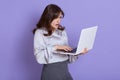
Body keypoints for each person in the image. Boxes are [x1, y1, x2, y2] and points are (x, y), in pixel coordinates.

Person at [33, 4, 88, 80]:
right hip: (51, 73)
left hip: (65, 72)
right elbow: (39, 57)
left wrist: (77, 53)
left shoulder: (62, 32)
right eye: (56, 17)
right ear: (48, 17)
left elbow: (67, 57)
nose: (59, 20)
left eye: (60, 17)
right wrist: (56, 47)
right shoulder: (39, 33)